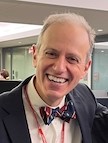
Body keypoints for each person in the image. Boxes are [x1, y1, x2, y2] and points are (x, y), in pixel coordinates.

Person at [0, 13, 107, 143]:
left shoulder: (85, 97)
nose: (59, 68)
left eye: (72, 59)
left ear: (85, 68)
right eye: (51, 53)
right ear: (35, 55)